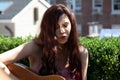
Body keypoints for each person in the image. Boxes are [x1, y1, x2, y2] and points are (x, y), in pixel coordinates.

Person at [0, 4, 88, 80]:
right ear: (48, 29)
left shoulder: (81, 53)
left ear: (72, 25)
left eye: (65, 25)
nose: (62, 30)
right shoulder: (35, 47)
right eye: (56, 27)